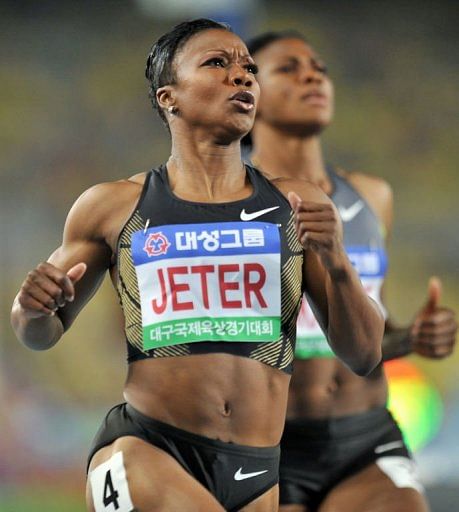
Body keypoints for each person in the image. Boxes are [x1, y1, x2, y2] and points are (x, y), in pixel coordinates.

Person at [10, 19, 385, 512]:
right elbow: (38, 332)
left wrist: (336, 260)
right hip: (145, 448)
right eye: (217, 63)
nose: (243, 77)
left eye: (249, 68)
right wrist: (33, 308)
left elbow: (364, 354)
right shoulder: (113, 206)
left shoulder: (296, 204)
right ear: (169, 97)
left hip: (257, 469)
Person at [245, 31, 458, 512]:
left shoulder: (371, 195)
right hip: (268, 444)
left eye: (319, 67)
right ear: (249, 98)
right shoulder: (232, 206)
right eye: (288, 68)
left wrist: (412, 336)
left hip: (365, 434)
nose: (312, 75)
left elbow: (363, 327)